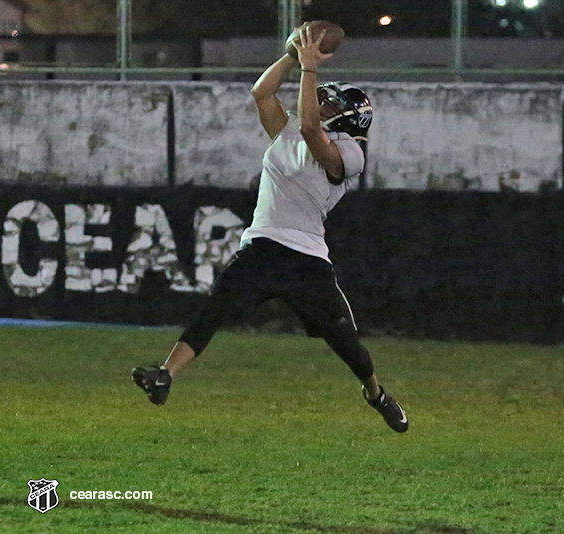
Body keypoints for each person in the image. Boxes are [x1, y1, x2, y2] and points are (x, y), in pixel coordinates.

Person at [132, 26, 408, 433]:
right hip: (262, 246)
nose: (321, 103)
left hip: (307, 260)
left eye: (331, 103)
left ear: (350, 118)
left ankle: (375, 394)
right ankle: (166, 375)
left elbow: (315, 132)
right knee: (215, 308)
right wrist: (294, 58)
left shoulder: (350, 154)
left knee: (347, 345)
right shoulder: (291, 129)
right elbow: (261, 94)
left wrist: (310, 71)